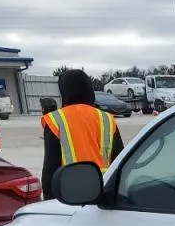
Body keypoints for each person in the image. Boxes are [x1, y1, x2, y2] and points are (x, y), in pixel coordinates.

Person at [40, 69, 124, 200]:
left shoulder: (56, 120)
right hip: (105, 191)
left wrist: (49, 203)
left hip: (70, 194)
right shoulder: (106, 119)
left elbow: (50, 169)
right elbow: (120, 160)